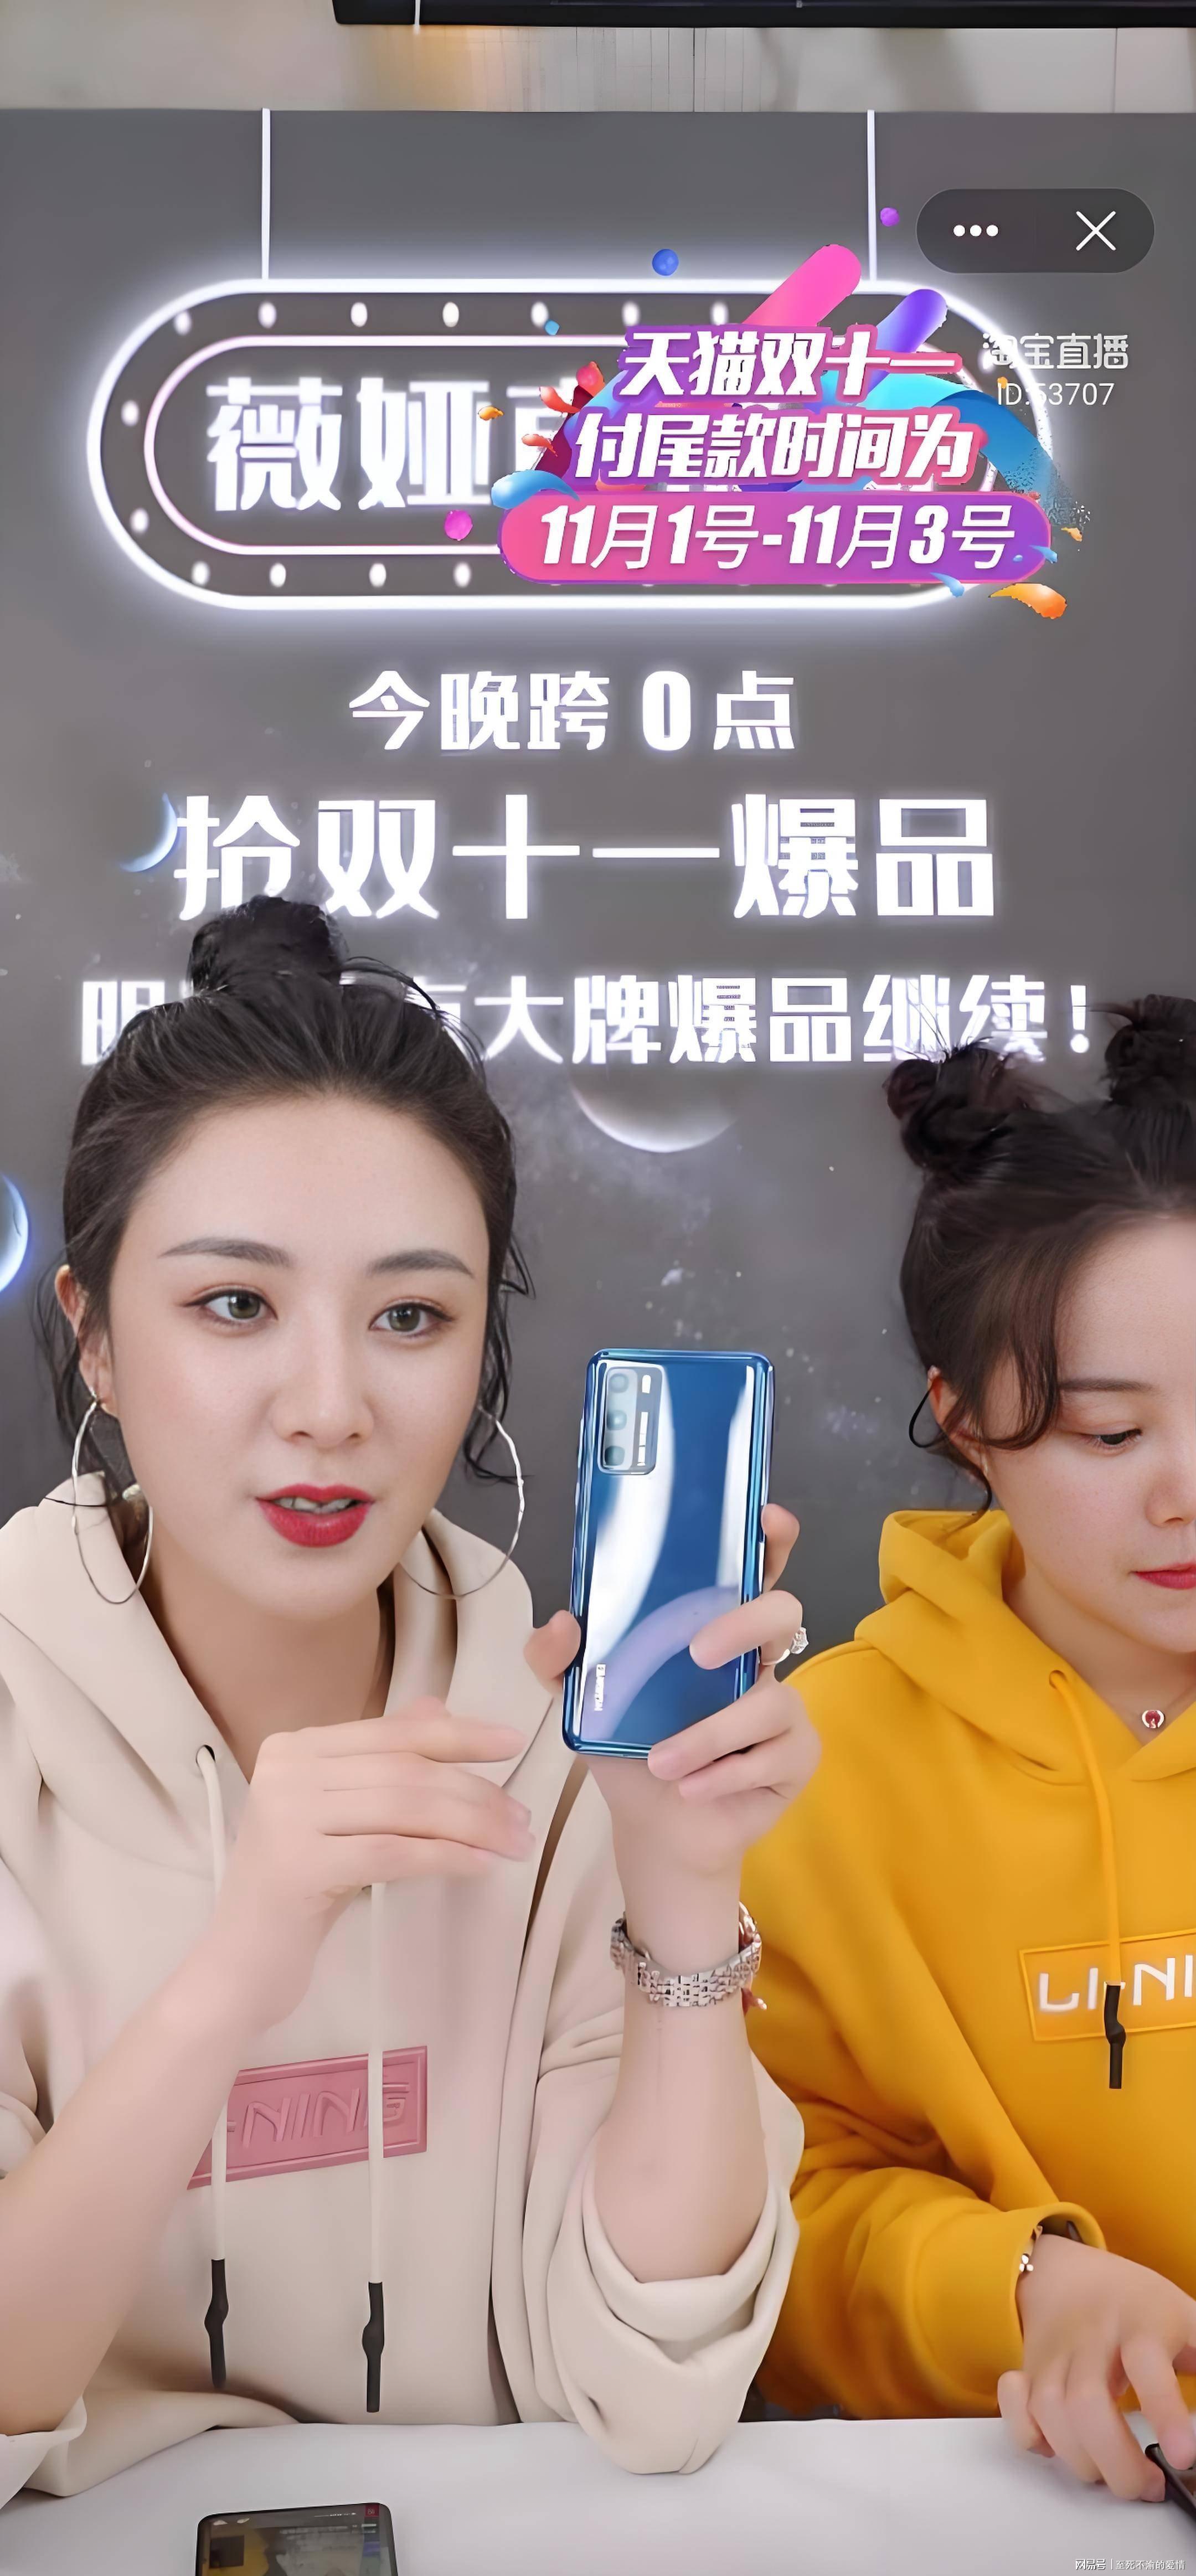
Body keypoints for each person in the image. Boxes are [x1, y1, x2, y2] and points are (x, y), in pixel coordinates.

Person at [0, 895, 817, 2505]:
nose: (330, 1406)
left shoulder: (562, 1739)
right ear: (93, 1335)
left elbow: (654, 2392)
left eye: (410, 1318)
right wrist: (238, 1972)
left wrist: (680, 1888)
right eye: (235, 1305)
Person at [745, 998, 1196, 2506]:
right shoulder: (821, 1766)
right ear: (965, 1423)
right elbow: (782, 2209)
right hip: (1018, 2501)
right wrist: (1020, 2285)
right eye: (1110, 1436)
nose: (1187, 1492)